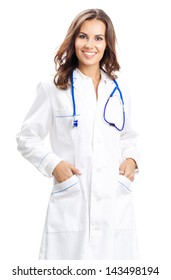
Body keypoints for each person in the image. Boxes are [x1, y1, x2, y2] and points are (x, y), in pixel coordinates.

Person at [16, 8, 140, 260]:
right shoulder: (53, 88)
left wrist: (132, 159)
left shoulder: (118, 89)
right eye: (83, 36)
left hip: (114, 204)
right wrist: (54, 164)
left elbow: (127, 136)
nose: (90, 45)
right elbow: (26, 138)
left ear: (107, 43)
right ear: (74, 39)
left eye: (98, 38)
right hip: (71, 200)